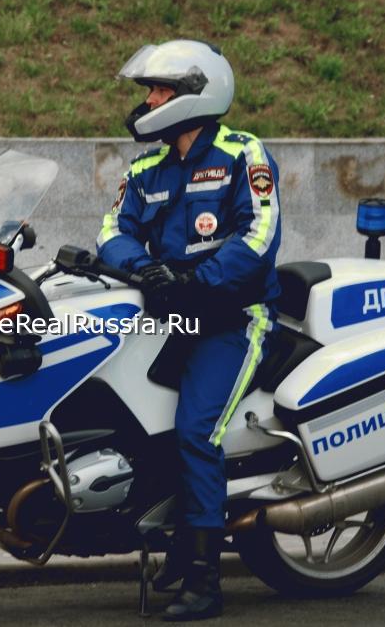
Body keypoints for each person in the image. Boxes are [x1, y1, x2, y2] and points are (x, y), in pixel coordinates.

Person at [96, 40, 281, 621]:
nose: (148, 101)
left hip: (232, 321)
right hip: (168, 319)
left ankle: (205, 581)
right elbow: (111, 231)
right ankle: (175, 546)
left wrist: (195, 282)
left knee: (196, 432)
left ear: (195, 95)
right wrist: (142, 268)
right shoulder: (145, 168)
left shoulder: (241, 155)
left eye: (159, 90)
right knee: (136, 425)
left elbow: (259, 238)